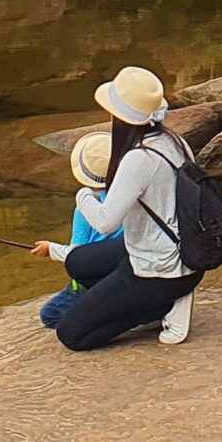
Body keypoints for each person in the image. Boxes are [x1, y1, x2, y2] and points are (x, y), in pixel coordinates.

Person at [51, 65, 201, 350]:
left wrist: (83, 195)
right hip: (176, 253)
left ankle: (160, 307)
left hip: (159, 270)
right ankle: (148, 299)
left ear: (120, 117)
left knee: (70, 333)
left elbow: (106, 222)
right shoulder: (174, 141)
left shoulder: (138, 159)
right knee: (77, 262)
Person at [36, 132, 114, 330]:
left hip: (93, 280)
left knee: (50, 314)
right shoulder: (129, 198)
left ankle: (98, 313)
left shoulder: (85, 208)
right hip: (124, 272)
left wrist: (51, 249)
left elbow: (78, 256)